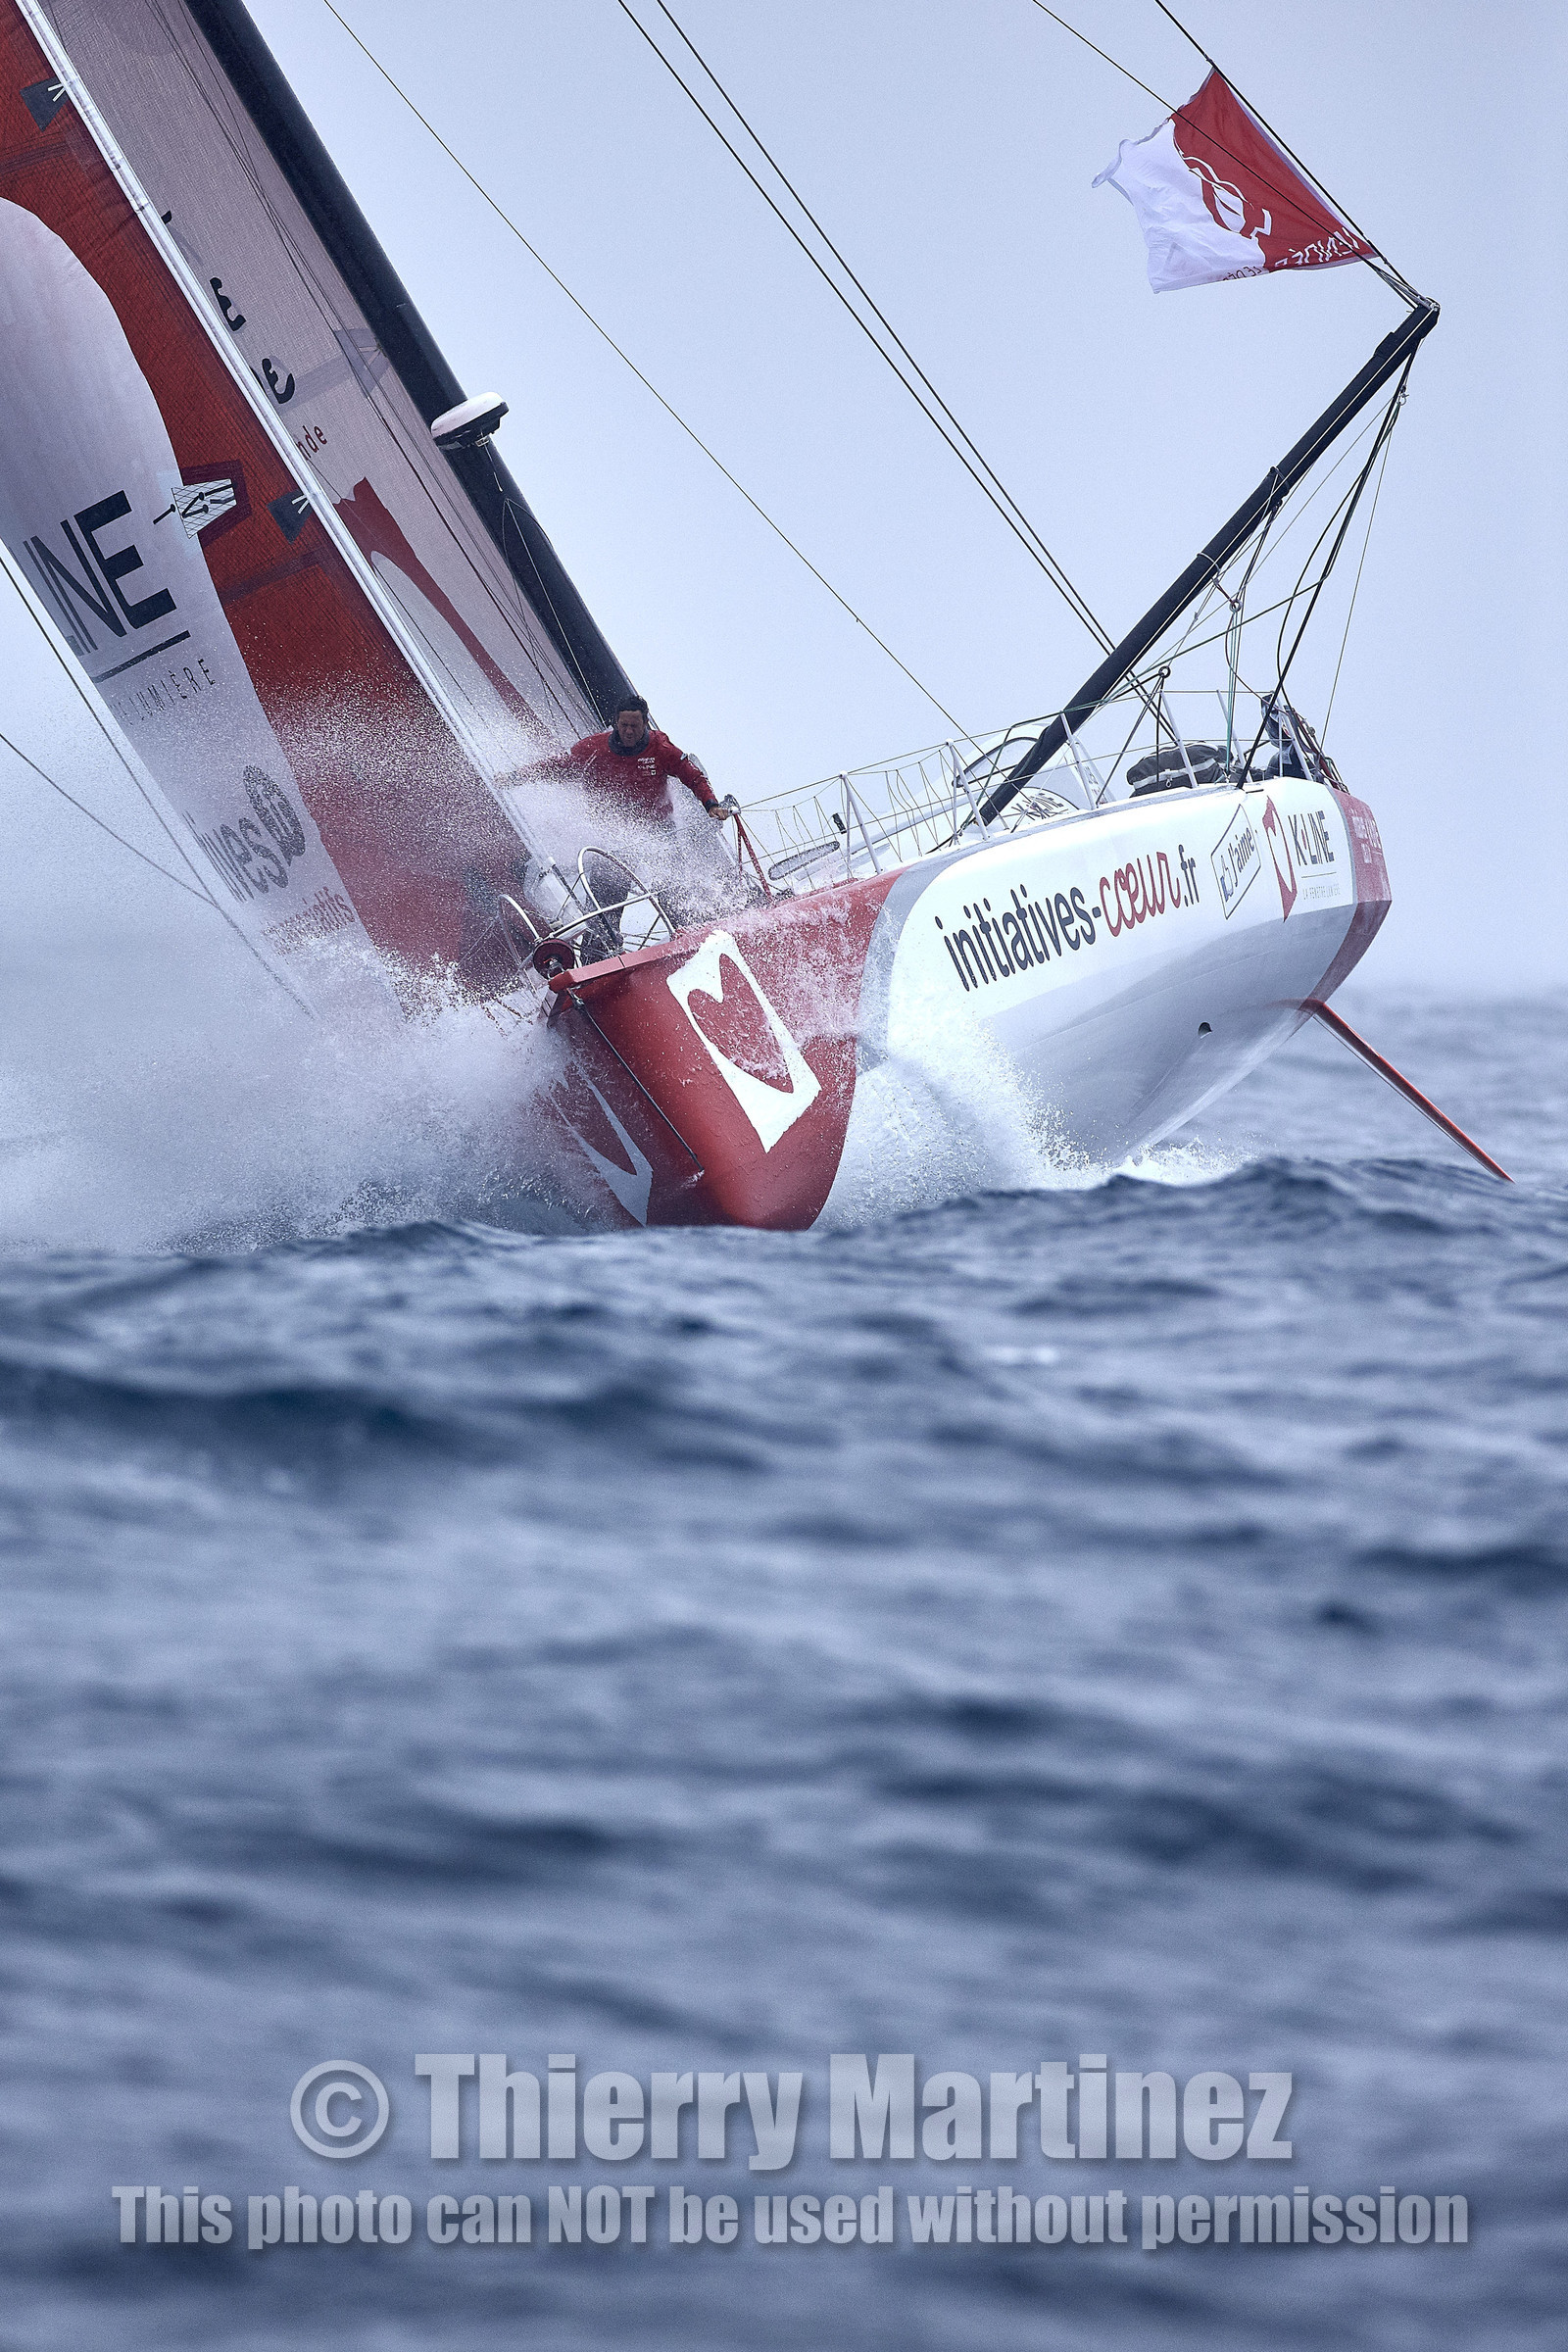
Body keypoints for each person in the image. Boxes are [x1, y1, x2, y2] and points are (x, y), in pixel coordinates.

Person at [568, 694, 737, 952]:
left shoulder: (660, 748)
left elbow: (693, 777)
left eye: (634, 726)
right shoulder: (594, 748)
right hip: (614, 835)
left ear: (645, 724)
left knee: (672, 888)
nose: (628, 731)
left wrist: (711, 805)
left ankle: (691, 940)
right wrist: (518, 777)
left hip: (658, 830)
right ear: (615, 723)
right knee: (605, 894)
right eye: (624, 725)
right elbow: (560, 766)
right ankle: (599, 952)